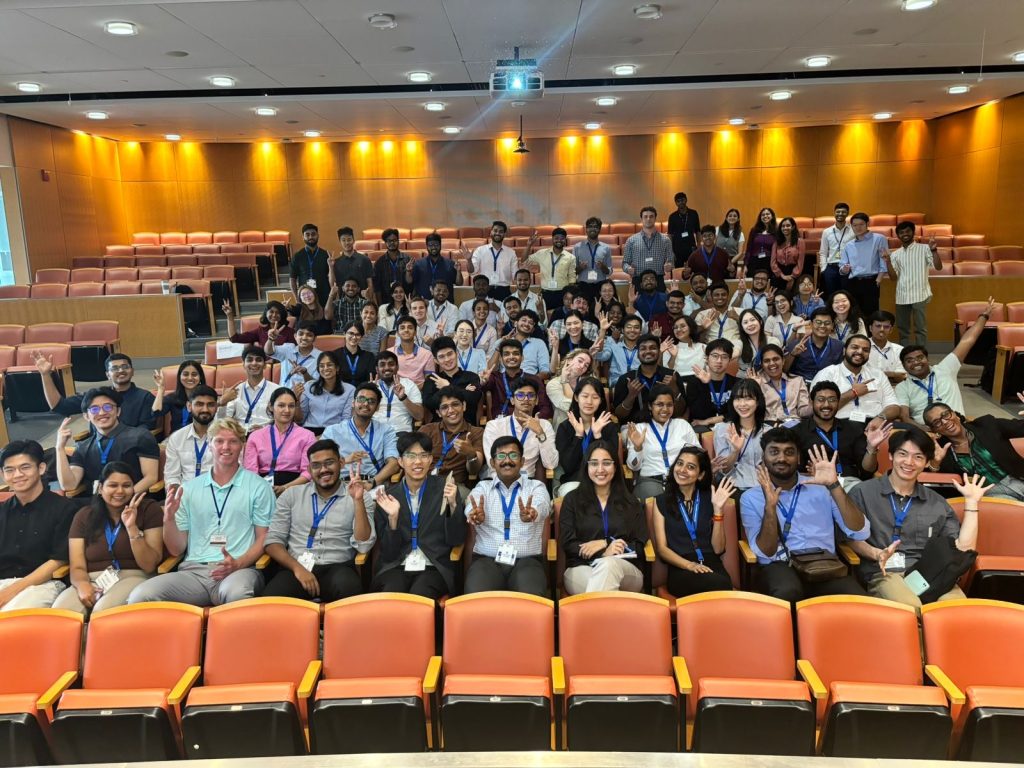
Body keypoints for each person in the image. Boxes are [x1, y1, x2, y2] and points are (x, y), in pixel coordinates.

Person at [128, 418, 274, 606]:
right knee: (140, 596)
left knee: (237, 595)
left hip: (238, 570)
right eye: (219, 441)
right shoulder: (188, 489)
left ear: (242, 446)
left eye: (233, 441)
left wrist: (238, 564)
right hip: (194, 573)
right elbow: (176, 548)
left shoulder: (259, 487)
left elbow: (264, 538)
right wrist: (169, 519)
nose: (226, 447)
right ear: (209, 445)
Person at [846, 429, 992, 609]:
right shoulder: (863, 492)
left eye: (918, 457)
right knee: (912, 608)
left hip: (929, 573)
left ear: (926, 463)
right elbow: (849, 537)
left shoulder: (936, 502)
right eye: (903, 454)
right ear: (891, 456)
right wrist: (876, 553)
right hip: (884, 572)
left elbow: (964, 549)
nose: (909, 462)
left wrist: (971, 503)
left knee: (959, 609)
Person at [740, 428, 870, 601]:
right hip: (779, 566)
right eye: (774, 452)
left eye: (789, 452)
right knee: (789, 592)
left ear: (799, 458)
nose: (781, 458)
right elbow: (766, 552)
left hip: (823, 565)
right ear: (763, 458)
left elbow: (860, 531)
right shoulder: (750, 498)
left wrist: (834, 485)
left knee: (856, 598)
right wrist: (770, 507)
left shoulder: (822, 488)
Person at [264, 440, 375, 601]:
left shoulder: (360, 495)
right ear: (309, 469)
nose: (323, 470)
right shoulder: (291, 495)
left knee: (349, 590)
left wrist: (357, 501)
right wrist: (298, 569)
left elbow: (364, 544)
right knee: (271, 599)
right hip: (296, 568)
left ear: (341, 463)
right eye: (316, 465)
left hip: (338, 568)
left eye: (329, 463)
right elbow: (272, 542)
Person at [54, 462, 163, 615]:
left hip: (135, 575)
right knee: (62, 612)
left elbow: (149, 565)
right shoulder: (84, 515)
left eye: (126, 485)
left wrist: (132, 528)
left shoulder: (149, 510)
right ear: (100, 489)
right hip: (93, 579)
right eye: (113, 485)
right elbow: (77, 566)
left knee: (102, 612)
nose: (120, 491)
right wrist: (82, 585)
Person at [371, 432, 465, 597]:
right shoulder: (388, 496)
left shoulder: (446, 489)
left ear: (430, 460)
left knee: (420, 596)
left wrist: (452, 505)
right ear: (400, 461)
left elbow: (456, 539)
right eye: (411, 456)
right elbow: (388, 552)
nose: (418, 462)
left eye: (423, 455)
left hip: (433, 566)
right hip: (397, 566)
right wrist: (393, 519)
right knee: (391, 596)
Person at [464, 437, 551, 595]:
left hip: (527, 561)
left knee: (531, 599)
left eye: (513, 455)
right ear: (492, 463)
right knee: (476, 598)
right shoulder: (483, 487)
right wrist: (474, 514)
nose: (507, 461)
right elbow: (472, 503)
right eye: (501, 456)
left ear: (523, 461)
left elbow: (543, 505)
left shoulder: (536, 487)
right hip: (486, 560)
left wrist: (533, 513)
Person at [559, 441, 648, 594]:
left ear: (615, 466)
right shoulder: (572, 500)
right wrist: (602, 553)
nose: (600, 469)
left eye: (606, 463)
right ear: (586, 467)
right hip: (581, 567)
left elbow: (639, 545)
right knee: (602, 585)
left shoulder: (631, 502)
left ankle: (593, 616)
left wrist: (605, 544)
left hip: (625, 568)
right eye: (594, 463)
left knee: (609, 566)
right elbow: (568, 543)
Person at [0, 440, 79, 610]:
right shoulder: (2, 511)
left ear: (41, 468)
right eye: (9, 470)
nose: (17, 474)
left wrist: (11, 591)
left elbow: (58, 561)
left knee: (7, 621)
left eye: (25, 467)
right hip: (2, 583)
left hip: (42, 585)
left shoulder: (64, 509)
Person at [895, 297, 996, 427]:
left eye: (920, 358)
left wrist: (984, 315)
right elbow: (904, 417)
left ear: (928, 359)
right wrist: (926, 431)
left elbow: (967, 341)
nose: (916, 362)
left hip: (958, 426)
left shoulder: (945, 369)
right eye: (909, 360)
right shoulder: (902, 387)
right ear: (904, 366)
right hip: (928, 431)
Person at [653, 448, 736, 597]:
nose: (682, 470)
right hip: (681, 567)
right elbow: (662, 549)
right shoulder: (661, 501)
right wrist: (690, 565)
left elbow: (718, 549)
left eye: (691, 467)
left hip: (712, 564)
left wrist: (718, 510)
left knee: (723, 585)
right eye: (680, 463)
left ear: (701, 475)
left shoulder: (711, 498)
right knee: (719, 587)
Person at [56, 388, 160, 496]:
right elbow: (69, 485)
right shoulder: (82, 447)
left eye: (107, 407)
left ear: (118, 411)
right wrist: (59, 448)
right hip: (96, 505)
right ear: (86, 416)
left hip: (132, 502)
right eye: (94, 409)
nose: (102, 412)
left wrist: (120, 498)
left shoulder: (140, 436)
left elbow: (151, 477)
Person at [794, 381, 889, 489]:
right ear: (811, 402)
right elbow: (792, 471)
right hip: (814, 483)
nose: (826, 405)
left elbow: (868, 470)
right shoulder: (797, 432)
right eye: (821, 400)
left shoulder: (854, 429)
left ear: (838, 402)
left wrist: (871, 449)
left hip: (849, 483)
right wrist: (810, 474)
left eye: (832, 400)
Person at [925, 400, 1024, 502]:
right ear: (934, 430)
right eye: (937, 422)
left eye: (945, 415)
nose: (945, 422)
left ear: (954, 414)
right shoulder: (940, 450)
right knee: (1016, 513)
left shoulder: (987, 425)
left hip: (1019, 477)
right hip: (989, 493)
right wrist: (935, 464)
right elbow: (926, 479)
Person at [34, 351, 156, 431]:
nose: (120, 371)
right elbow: (59, 406)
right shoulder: (96, 396)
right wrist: (45, 375)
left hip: (129, 448)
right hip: (96, 448)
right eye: (115, 368)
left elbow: (146, 428)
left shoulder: (145, 397)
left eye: (125, 367)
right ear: (108, 375)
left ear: (132, 371)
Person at [626, 384, 699, 500]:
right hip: (651, 480)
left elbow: (697, 455)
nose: (665, 409)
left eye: (669, 405)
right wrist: (638, 447)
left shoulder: (682, 425)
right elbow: (633, 466)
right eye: (660, 404)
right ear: (650, 406)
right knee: (661, 500)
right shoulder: (639, 429)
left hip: (681, 478)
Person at [323, 383, 400, 489]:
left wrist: (371, 483)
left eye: (371, 401)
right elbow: (321, 462)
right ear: (353, 403)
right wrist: (345, 461)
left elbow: (394, 464)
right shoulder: (333, 431)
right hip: (340, 485)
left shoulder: (386, 431)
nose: (366, 404)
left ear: (377, 407)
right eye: (361, 399)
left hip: (372, 484)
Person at [242, 387, 316, 496]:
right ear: (271, 407)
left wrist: (285, 488)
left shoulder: (307, 436)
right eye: (281, 405)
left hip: (296, 488)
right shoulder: (255, 436)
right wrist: (262, 489)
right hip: (261, 489)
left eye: (291, 406)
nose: (287, 410)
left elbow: (308, 472)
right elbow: (251, 471)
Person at [482, 376, 558, 480]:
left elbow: (551, 464)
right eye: (520, 395)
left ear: (536, 401)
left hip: (528, 482)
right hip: (498, 480)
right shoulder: (494, 426)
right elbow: (492, 463)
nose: (526, 399)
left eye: (531, 395)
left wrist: (540, 433)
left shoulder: (544, 426)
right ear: (512, 400)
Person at [811, 335, 900, 422]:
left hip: (874, 422)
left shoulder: (878, 375)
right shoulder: (828, 373)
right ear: (844, 350)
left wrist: (880, 418)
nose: (860, 352)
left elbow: (894, 406)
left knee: (911, 430)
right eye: (855, 347)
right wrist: (853, 393)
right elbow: (819, 408)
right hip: (841, 423)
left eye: (865, 350)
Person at [556, 376, 619, 493]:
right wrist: (578, 436)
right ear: (576, 397)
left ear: (601, 400)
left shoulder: (609, 427)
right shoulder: (565, 427)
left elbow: (610, 463)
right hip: (574, 482)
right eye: (585, 396)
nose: (589, 402)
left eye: (595, 397)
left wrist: (598, 436)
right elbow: (568, 466)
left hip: (603, 480)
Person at [883, 222, 942, 346]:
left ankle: (921, 355)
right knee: (903, 329)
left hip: (919, 294)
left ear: (913, 232)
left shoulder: (925, 248)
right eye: (901, 232)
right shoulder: (895, 254)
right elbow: (893, 278)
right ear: (898, 236)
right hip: (902, 296)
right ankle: (905, 356)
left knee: (920, 329)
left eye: (907, 231)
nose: (905, 234)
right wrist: (888, 262)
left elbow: (938, 267)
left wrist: (934, 250)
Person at [419, 391, 484, 494]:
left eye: (455, 404)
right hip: (425, 483)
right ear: (438, 413)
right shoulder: (427, 430)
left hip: (454, 486)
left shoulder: (475, 432)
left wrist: (470, 454)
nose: (451, 410)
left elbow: (474, 471)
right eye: (444, 407)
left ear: (464, 406)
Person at [712, 379, 769, 492]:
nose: (742, 404)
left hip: (762, 486)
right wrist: (735, 451)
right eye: (738, 399)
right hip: (734, 486)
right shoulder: (722, 429)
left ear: (758, 402)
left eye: (748, 398)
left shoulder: (767, 431)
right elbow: (723, 469)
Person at [612, 335, 682, 424]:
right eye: (643, 349)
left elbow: (681, 411)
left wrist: (674, 389)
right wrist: (631, 396)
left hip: (667, 425)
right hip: (636, 427)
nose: (648, 351)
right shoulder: (626, 379)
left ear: (659, 352)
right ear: (637, 354)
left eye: (653, 348)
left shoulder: (672, 375)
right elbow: (619, 415)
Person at [481, 339, 554, 421]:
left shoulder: (534, 379)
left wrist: (537, 418)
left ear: (522, 358)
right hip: (501, 425)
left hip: (528, 424)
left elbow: (546, 407)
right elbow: (481, 390)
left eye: (515, 353)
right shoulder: (495, 378)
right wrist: (483, 382)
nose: (511, 357)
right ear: (501, 359)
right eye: (506, 354)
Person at [164, 385, 219, 491]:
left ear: (216, 407)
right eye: (199, 404)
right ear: (189, 406)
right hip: (185, 496)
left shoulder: (226, 437)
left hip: (217, 495)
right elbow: (172, 476)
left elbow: (234, 473)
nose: (205, 409)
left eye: (210, 405)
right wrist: (176, 497)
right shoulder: (177, 438)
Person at [421, 337, 484, 425]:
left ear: (457, 353)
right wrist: (463, 391)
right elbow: (429, 404)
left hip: (466, 426)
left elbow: (472, 399)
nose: (447, 359)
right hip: (439, 427)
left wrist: (447, 386)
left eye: (450, 354)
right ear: (436, 360)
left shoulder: (472, 377)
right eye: (441, 357)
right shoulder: (432, 379)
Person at [839, 212, 888, 317]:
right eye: (855, 225)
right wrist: (844, 269)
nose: (858, 228)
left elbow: (884, 261)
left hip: (871, 281)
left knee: (871, 314)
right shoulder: (848, 245)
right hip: (853, 282)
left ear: (867, 224)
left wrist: (878, 279)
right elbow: (842, 266)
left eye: (861, 224)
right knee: (854, 315)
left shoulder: (879, 239)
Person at [293, 351, 354, 432]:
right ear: (318, 369)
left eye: (329, 365)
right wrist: (296, 401)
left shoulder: (350, 390)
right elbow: (300, 420)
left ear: (337, 368)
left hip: (334, 432)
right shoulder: (309, 386)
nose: (325, 368)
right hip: (308, 431)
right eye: (321, 366)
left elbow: (346, 420)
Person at [217, 345, 274, 430]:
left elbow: (282, 420)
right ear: (243, 365)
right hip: (239, 436)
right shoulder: (235, 391)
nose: (254, 363)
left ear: (265, 365)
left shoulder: (275, 390)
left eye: (258, 360)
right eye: (249, 360)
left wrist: (265, 429)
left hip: (266, 436)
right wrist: (223, 404)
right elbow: (222, 422)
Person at [684, 338, 736, 431]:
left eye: (724, 357)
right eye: (715, 356)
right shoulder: (694, 382)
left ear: (729, 360)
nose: (719, 361)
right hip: (702, 427)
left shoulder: (737, 383)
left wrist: (710, 420)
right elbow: (698, 414)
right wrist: (705, 384)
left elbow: (736, 413)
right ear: (707, 358)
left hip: (728, 425)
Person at [755, 344, 811, 424]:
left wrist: (813, 405)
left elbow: (802, 411)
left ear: (783, 361)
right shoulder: (757, 382)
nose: (772, 363)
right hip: (769, 425)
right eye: (767, 361)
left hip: (794, 424)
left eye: (776, 359)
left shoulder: (797, 381)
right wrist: (754, 387)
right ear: (762, 365)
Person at [784, 308, 844, 383]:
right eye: (818, 322)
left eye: (827, 323)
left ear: (832, 326)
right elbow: (784, 370)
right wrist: (792, 354)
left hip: (827, 387)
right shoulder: (796, 344)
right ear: (811, 324)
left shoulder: (839, 346)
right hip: (800, 386)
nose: (822, 326)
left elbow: (841, 372)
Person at [525, 227, 576, 314]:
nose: (559, 240)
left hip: (562, 294)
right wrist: (529, 245)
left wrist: (569, 297)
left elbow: (572, 279)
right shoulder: (542, 253)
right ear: (552, 239)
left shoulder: (571, 257)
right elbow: (525, 260)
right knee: (544, 320)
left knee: (560, 319)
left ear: (565, 240)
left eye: (562, 238)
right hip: (546, 294)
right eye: (556, 238)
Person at [372, 351, 424, 434]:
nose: (387, 368)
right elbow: (357, 415)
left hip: (401, 433)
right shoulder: (371, 387)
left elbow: (419, 416)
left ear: (397, 367)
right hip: (375, 433)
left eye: (391, 364)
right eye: (382, 365)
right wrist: (372, 398)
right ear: (377, 369)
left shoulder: (409, 385)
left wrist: (403, 397)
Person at [623, 205, 672, 291]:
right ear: (641, 219)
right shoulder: (631, 240)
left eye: (651, 216)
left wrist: (670, 266)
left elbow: (671, 260)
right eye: (645, 217)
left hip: (658, 280)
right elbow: (625, 263)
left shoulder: (665, 240)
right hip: (638, 280)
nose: (648, 219)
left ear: (655, 218)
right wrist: (628, 269)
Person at [151, 360, 207, 435]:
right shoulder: (173, 398)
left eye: (194, 374)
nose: (190, 378)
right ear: (179, 377)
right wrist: (161, 388)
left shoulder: (207, 397)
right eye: (185, 374)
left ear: (200, 377)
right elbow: (156, 413)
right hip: (176, 439)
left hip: (201, 438)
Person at [493, 310, 550, 377]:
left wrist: (528, 381)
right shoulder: (501, 342)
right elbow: (491, 369)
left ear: (533, 330)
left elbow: (545, 372)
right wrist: (499, 346)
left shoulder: (539, 343)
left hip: (529, 382)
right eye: (524, 320)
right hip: (504, 382)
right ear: (515, 323)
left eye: (531, 323)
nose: (526, 324)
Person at [469, 220, 517, 300]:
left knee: (503, 312)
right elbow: (472, 271)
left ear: (504, 234)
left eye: (501, 231)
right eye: (495, 230)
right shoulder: (480, 250)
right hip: (484, 290)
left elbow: (515, 276)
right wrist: (468, 260)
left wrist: (522, 269)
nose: (498, 233)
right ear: (491, 232)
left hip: (504, 291)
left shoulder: (511, 253)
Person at [593, 313, 644, 387]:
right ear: (623, 330)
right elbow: (600, 356)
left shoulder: (644, 350)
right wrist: (603, 330)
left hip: (639, 386)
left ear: (640, 331)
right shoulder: (613, 347)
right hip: (617, 386)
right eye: (629, 327)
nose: (632, 330)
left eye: (636, 327)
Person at [546, 350, 595, 426]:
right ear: (569, 360)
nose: (582, 366)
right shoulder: (553, 384)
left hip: (587, 426)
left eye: (586, 365)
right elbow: (569, 408)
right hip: (564, 428)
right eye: (580, 361)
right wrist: (565, 382)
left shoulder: (587, 385)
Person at [266, 321, 322, 385]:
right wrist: (270, 339)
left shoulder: (320, 356)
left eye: (309, 335)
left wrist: (305, 373)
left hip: (307, 394)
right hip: (285, 393)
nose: (304, 338)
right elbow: (268, 352)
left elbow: (317, 385)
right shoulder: (288, 348)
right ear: (295, 336)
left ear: (314, 338)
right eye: (301, 334)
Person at [290, 223, 331, 307]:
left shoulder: (326, 255)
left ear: (318, 235)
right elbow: (292, 279)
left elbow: (331, 277)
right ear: (303, 237)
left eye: (313, 234)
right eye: (307, 235)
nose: (310, 237)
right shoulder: (297, 256)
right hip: (305, 298)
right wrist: (297, 300)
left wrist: (332, 296)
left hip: (323, 297)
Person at [573, 217, 613, 301]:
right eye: (590, 226)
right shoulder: (577, 247)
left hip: (600, 286)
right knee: (583, 311)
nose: (593, 229)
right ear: (586, 229)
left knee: (599, 311)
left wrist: (603, 267)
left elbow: (609, 272)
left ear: (599, 229)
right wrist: (580, 267)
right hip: (583, 286)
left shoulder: (606, 248)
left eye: (596, 227)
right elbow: (573, 272)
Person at [818, 202, 854, 295]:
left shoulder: (853, 231)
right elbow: (823, 252)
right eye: (838, 212)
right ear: (834, 213)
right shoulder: (827, 232)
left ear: (847, 213)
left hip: (847, 267)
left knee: (846, 295)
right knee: (831, 295)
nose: (840, 214)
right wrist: (824, 269)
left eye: (843, 212)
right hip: (831, 268)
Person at [411, 233, 461, 299]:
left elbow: (459, 283)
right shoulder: (418, 264)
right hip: (424, 305)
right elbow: (410, 282)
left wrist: (458, 271)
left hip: (446, 304)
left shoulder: (450, 264)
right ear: (427, 246)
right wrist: (408, 271)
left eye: (436, 244)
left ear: (440, 245)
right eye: (430, 245)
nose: (433, 247)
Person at [330, 226, 374, 299]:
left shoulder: (364, 259)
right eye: (343, 240)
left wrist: (370, 299)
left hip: (362, 301)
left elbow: (370, 283)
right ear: (340, 242)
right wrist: (331, 267)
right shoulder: (336, 262)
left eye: (349, 239)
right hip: (343, 302)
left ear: (353, 240)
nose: (347, 243)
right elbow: (332, 284)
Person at [371, 228, 414, 304]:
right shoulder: (379, 263)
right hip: (386, 301)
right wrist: (380, 306)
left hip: (405, 301)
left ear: (398, 241)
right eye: (389, 241)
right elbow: (377, 288)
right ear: (385, 242)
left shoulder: (407, 259)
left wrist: (408, 271)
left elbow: (411, 283)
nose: (392, 243)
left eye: (394, 240)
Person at [737, 309, 781, 377]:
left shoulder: (772, 341)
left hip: (768, 378)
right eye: (745, 322)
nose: (750, 324)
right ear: (742, 327)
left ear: (760, 321)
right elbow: (735, 350)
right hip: (744, 380)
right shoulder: (739, 343)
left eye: (752, 320)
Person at [866, 310, 906, 384]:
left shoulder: (899, 350)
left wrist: (872, 373)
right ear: (870, 328)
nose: (882, 329)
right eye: (878, 326)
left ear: (891, 329)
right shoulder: (862, 348)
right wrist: (892, 374)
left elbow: (902, 375)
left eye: (886, 327)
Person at [392, 315, 433, 386]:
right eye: (402, 328)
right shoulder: (390, 353)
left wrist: (413, 391)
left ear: (415, 332)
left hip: (419, 393)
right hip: (395, 392)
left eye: (410, 327)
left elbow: (429, 382)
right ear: (398, 333)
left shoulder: (427, 354)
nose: (406, 330)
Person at [662, 314, 706, 379]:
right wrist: (673, 357)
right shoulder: (669, 348)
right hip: (678, 384)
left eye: (683, 326)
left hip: (701, 383)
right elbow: (667, 372)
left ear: (691, 327)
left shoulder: (703, 347)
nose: (678, 329)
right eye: (675, 327)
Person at [770, 217, 806, 292]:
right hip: (779, 273)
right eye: (783, 226)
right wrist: (782, 275)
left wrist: (792, 276)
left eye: (788, 225)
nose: (785, 228)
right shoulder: (777, 242)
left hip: (793, 273)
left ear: (793, 227)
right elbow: (773, 262)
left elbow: (800, 262)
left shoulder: (800, 242)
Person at [667, 192, 701, 269]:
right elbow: (670, 235)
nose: (680, 203)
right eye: (678, 201)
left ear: (686, 200)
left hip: (691, 246)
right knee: (678, 270)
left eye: (682, 200)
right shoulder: (672, 216)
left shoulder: (693, 213)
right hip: (677, 248)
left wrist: (699, 246)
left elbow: (698, 231)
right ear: (676, 203)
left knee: (693, 268)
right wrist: (671, 251)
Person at [745, 208, 777, 277]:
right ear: (760, 217)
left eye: (768, 214)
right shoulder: (754, 230)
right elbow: (749, 248)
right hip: (754, 261)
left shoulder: (776, 231)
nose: (765, 216)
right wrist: (745, 265)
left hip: (769, 262)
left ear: (772, 216)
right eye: (763, 215)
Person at [717, 208, 746, 275]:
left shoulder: (740, 234)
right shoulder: (718, 229)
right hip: (718, 260)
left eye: (735, 216)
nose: (732, 217)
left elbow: (740, 252)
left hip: (732, 261)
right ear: (726, 218)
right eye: (730, 216)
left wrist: (729, 263)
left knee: (730, 283)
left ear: (738, 219)